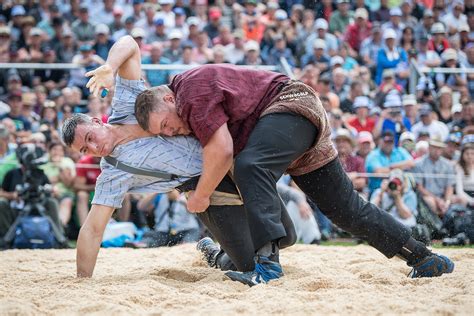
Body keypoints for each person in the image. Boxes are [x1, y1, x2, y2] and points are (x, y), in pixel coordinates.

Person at [133, 63, 454, 286]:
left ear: (168, 98)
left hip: (291, 106)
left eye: (165, 125)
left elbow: (223, 150)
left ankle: (268, 267)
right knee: (345, 209)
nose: (172, 132)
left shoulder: (188, 89)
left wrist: (200, 196)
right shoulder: (186, 103)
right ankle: (423, 258)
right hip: (292, 124)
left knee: (250, 165)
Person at [61, 35, 296, 277]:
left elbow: (130, 44)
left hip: (231, 160)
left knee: (286, 236)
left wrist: (110, 67)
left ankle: (225, 249)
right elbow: (92, 229)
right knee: (247, 264)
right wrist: (82, 281)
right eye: (84, 150)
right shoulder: (112, 173)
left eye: (90, 138)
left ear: (97, 122)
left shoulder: (126, 104)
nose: (93, 148)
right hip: (203, 187)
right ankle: (217, 254)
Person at [413, 137, 456, 217]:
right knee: (430, 201)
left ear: (442, 149)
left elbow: (450, 186)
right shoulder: (419, 163)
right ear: (429, 148)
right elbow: (420, 187)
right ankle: (436, 225)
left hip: (443, 196)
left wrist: (447, 201)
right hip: (427, 196)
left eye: (439, 148)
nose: (437, 150)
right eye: (434, 147)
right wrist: (437, 200)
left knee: (457, 200)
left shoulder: (448, 164)